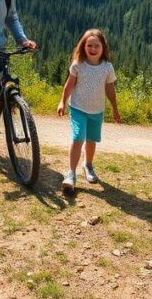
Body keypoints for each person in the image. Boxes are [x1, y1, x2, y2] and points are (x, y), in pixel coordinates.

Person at [57, 28, 120, 193]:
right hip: (78, 108)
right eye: (89, 45)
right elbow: (69, 85)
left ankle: (88, 165)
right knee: (78, 137)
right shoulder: (78, 64)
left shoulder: (107, 67)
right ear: (83, 46)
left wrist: (115, 108)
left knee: (92, 140)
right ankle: (71, 174)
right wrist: (62, 102)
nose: (93, 49)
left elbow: (110, 89)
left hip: (97, 111)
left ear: (103, 47)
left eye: (96, 46)